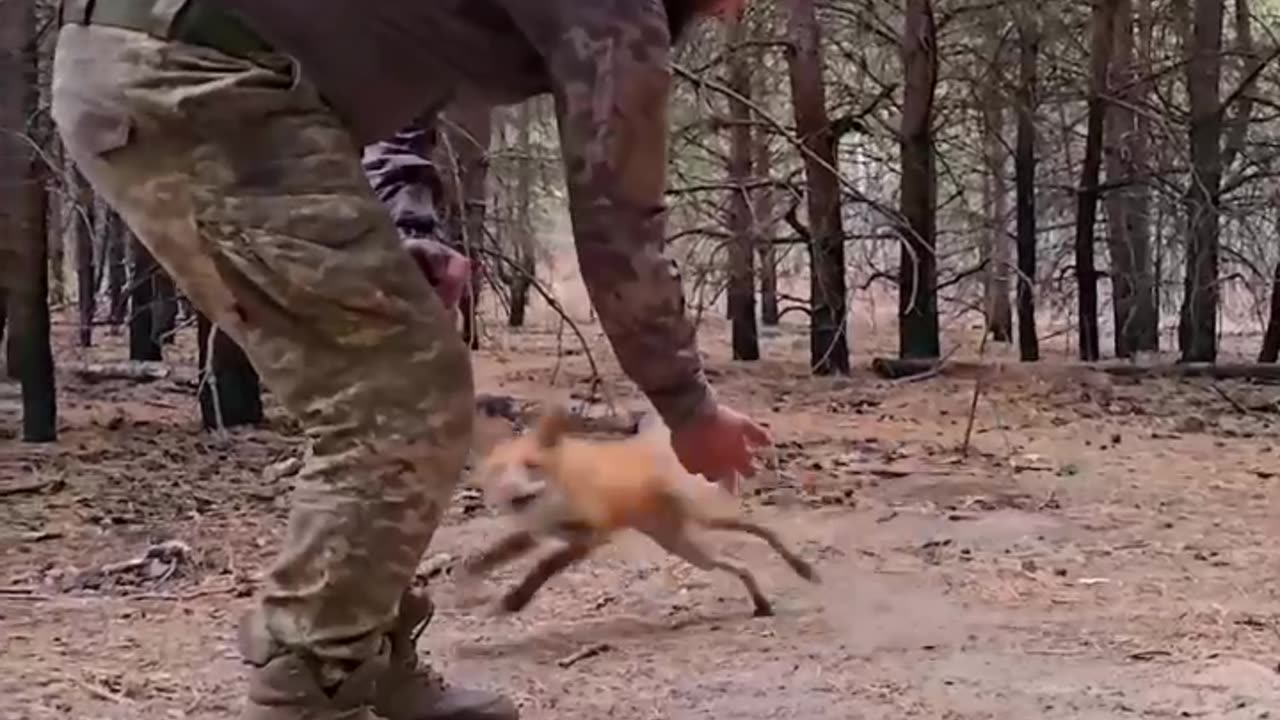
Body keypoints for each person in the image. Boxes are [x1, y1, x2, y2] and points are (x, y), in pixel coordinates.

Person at [49, 1, 763, 719]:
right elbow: (617, 219)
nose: (736, 13)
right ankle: (308, 687)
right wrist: (687, 405)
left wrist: (404, 221)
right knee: (393, 392)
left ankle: (356, 659)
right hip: (197, 75)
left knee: (404, 377)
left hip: (221, 77)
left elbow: (410, 84)